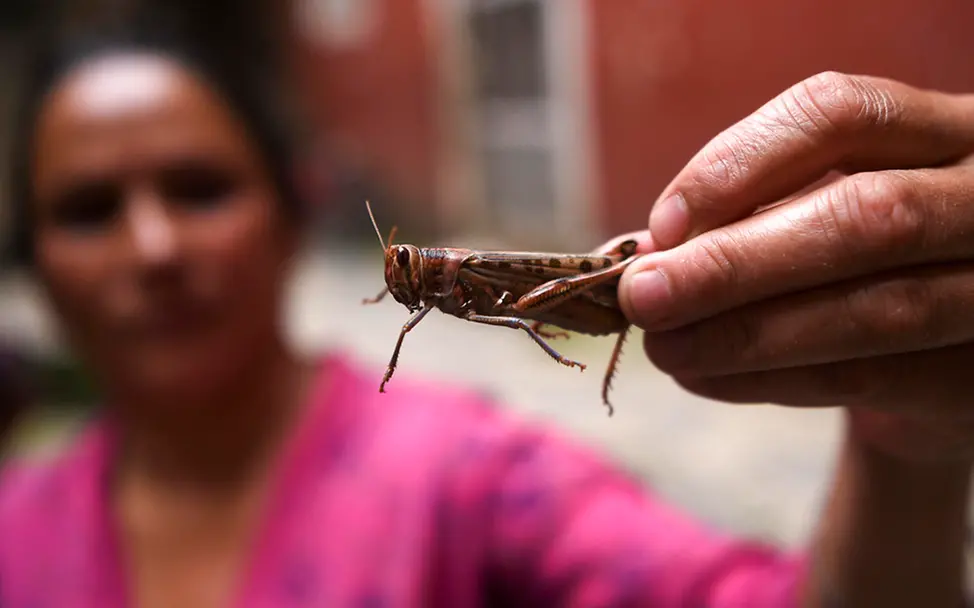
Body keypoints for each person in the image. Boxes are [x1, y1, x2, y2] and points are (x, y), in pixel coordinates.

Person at [0, 17, 971, 607]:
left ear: (290, 212)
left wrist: (906, 445)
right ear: (35, 258)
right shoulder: (17, 530)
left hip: (573, 281)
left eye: (199, 188)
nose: (155, 248)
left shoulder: (468, 474)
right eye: (88, 209)